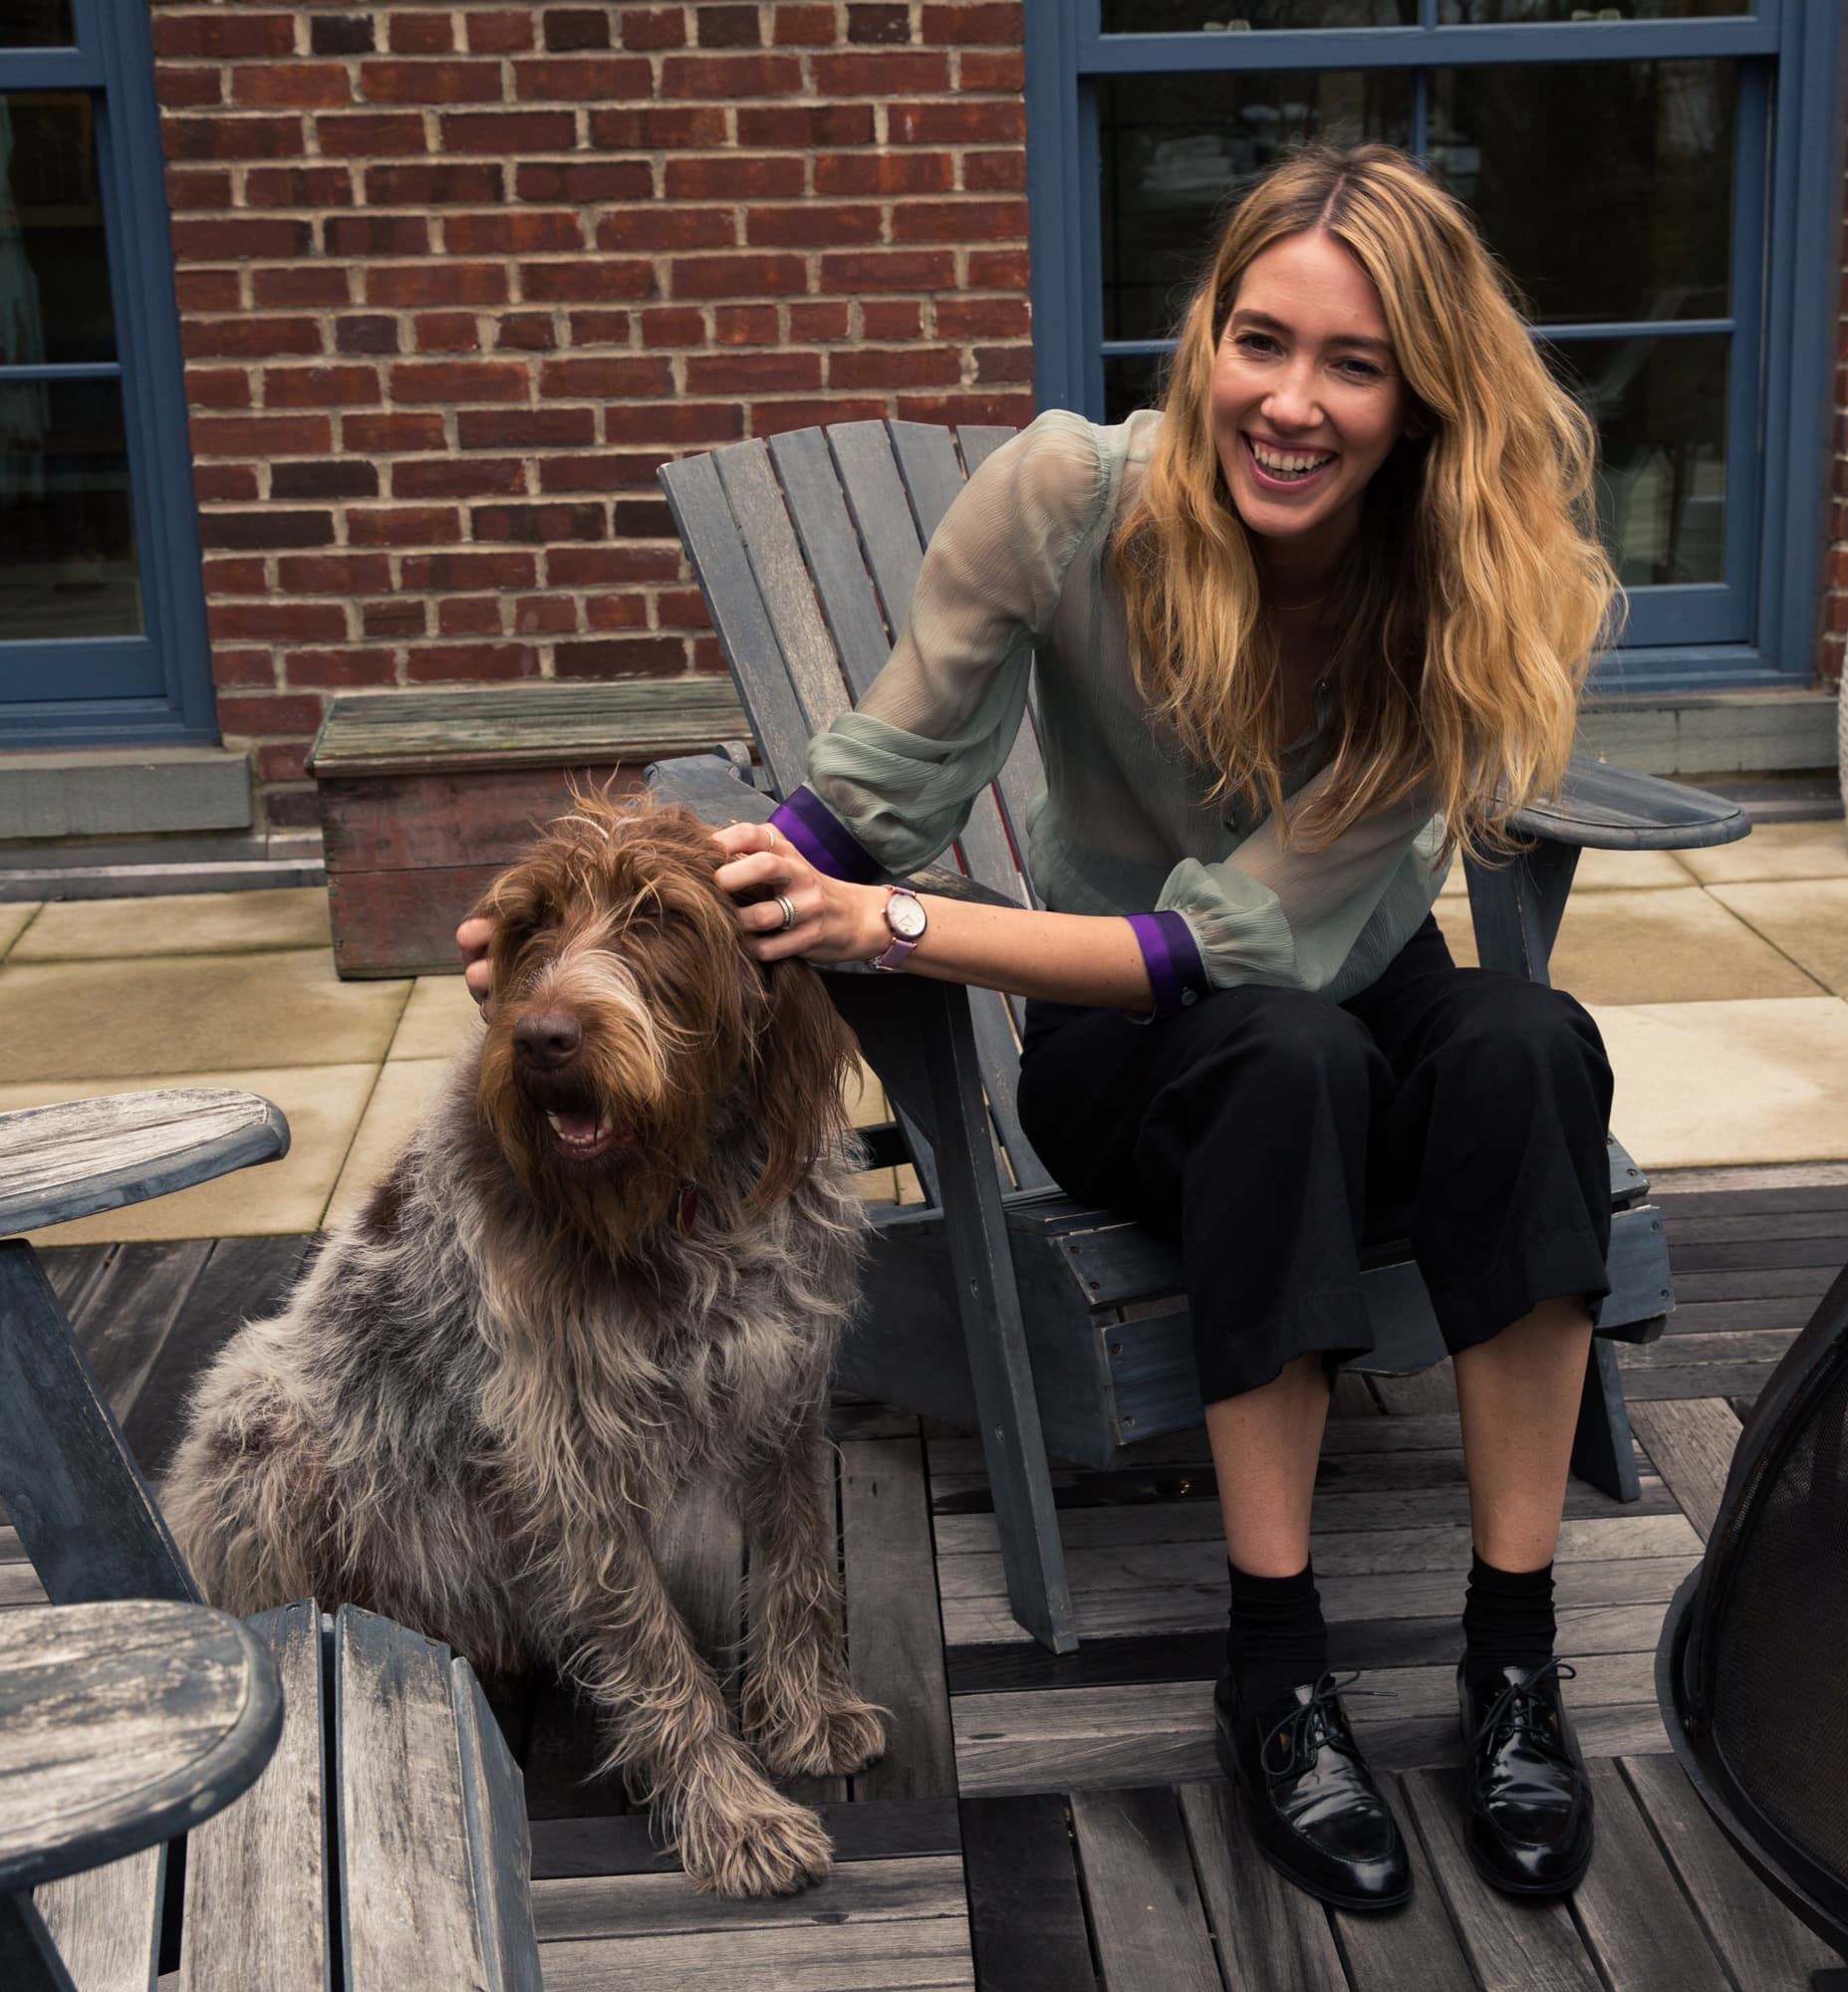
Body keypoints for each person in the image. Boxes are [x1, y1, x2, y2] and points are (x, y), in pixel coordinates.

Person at [458, 140, 1622, 1907]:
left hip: (1321, 985)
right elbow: (869, 799)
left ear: (1424, 401)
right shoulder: (1070, 499)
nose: (1289, 401)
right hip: (1127, 1064)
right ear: (1207, 336)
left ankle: (1514, 1656)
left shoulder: (1452, 587)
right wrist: (589, 938)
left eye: (1355, 363)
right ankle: (1276, 1670)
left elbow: (1236, 937)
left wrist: (901, 929)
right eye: (1260, 340)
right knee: (1285, 1062)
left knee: (1532, 1045)